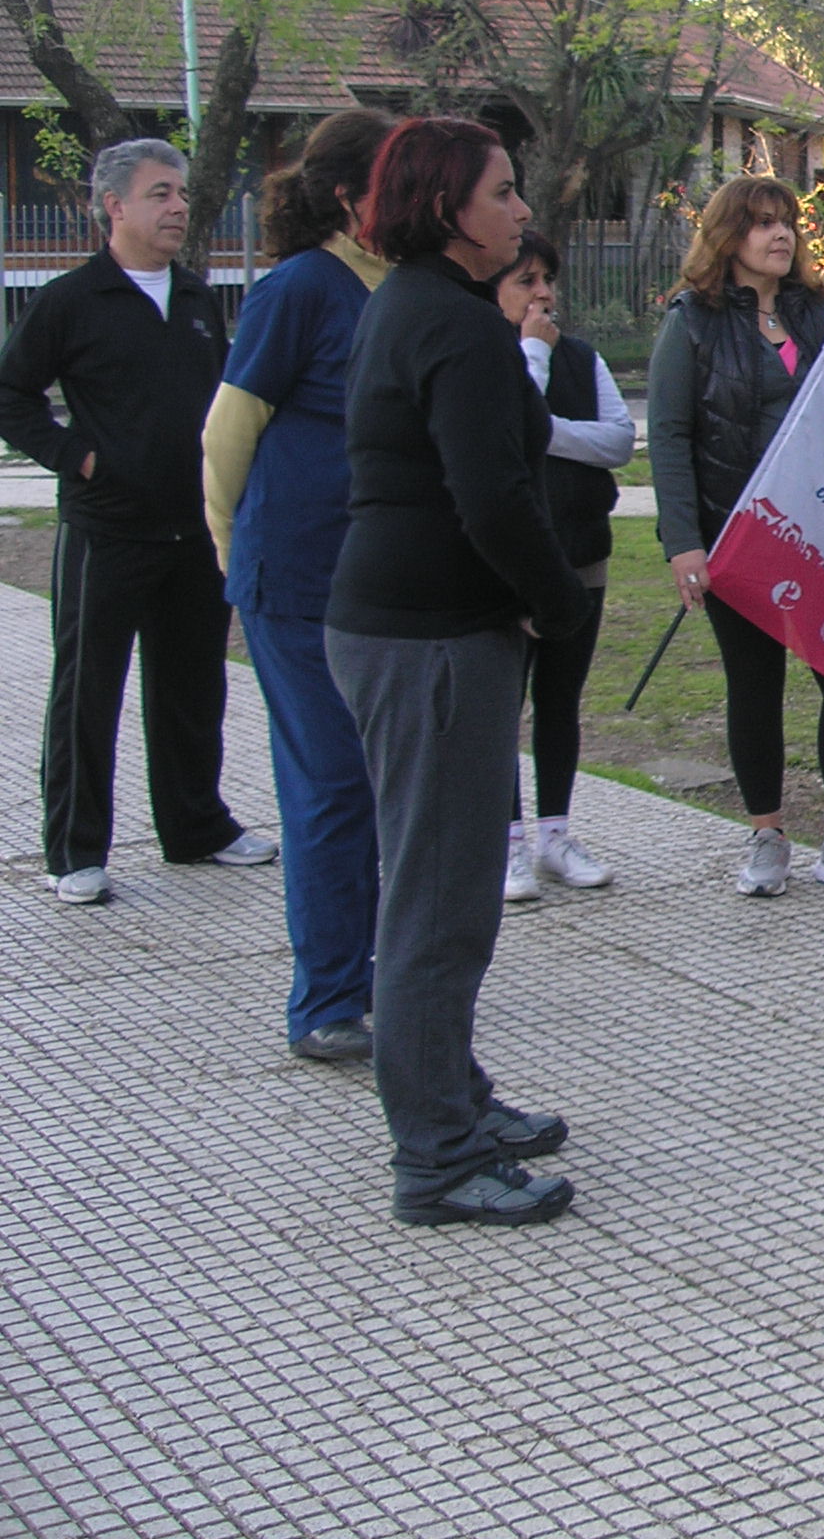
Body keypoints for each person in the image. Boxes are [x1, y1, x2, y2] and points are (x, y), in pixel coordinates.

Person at [326, 117, 593, 1228]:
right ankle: (436, 1158)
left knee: (449, 890)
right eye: (502, 192)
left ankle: (456, 1097)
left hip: (419, 630)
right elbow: (492, 498)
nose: (521, 209)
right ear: (446, 208)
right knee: (438, 907)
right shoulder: (451, 324)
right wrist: (557, 600)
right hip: (427, 639)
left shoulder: (422, 306)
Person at [0, 137, 276, 907]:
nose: (179, 207)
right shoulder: (70, 299)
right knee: (87, 691)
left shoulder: (195, 298)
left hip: (193, 529)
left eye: (182, 193)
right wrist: (79, 458)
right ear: (114, 206)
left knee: (192, 687)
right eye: (161, 194)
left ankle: (195, 828)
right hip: (108, 530)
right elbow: (11, 395)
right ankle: (74, 850)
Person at [203, 108, 395, 1059]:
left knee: (377, 786)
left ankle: (376, 972)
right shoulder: (300, 288)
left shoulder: (405, 285)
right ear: (354, 195)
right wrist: (235, 551)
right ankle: (325, 1000)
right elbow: (228, 431)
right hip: (294, 578)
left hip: (378, 582)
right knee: (332, 782)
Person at [647, 174, 824, 897]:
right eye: (760, 222)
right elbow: (668, 435)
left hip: (822, 536)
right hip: (737, 537)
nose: (780, 234)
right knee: (755, 687)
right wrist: (683, 542)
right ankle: (767, 836)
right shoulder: (692, 321)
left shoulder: (820, 310)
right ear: (728, 236)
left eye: (786, 222)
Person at [493, 232, 635, 904]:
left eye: (548, 279)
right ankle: (507, 842)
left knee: (561, 699)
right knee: (503, 704)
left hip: (581, 552)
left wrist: (546, 430)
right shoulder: (486, 356)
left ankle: (555, 832)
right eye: (525, 281)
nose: (543, 293)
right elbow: (506, 431)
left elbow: (617, 441)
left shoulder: (582, 356)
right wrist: (532, 356)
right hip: (511, 565)